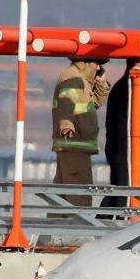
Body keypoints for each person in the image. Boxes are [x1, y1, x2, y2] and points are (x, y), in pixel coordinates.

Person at [52, 57, 110, 207]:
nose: (98, 68)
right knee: (80, 197)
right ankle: (80, 228)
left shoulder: (81, 81)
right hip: (75, 146)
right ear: (86, 63)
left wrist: (102, 84)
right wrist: (66, 124)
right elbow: (66, 101)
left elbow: (92, 104)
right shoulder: (73, 78)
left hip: (73, 147)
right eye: (97, 64)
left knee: (62, 198)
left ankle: (54, 228)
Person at [102, 59, 140, 208]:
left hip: (115, 148)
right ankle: (122, 226)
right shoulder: (134, 88)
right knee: (126, 194)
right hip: (127, 150)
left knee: (116, 190)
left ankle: (102, 221)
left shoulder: (119, 87)